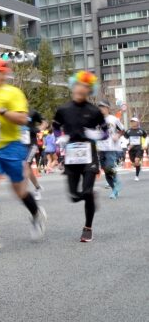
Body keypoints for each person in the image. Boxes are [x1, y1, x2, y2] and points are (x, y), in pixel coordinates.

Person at [0, 59, 46, 252]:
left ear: (3, 73)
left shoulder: (14, 93)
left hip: (13, 148)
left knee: (20, 191)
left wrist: (3, 111)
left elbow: (23, 118)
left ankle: (36, 214)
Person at [53, 71, 108, 243]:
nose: (80, 89)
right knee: (74, 196)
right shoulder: (63, 109)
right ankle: (90, 195)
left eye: (85, 87)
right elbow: (55, 126)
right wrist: (59, 137)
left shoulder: (94, 111)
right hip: (71, 156)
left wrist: (96, 135)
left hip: (89, 155)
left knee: (86, 191)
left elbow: (106, 132)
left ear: (89, 90)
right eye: (78, 85)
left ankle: (88, 228)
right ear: (72, 86)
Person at [97, 100, 124, 198]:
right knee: (106, 172)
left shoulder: (113, 119)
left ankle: (117, 182)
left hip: (111, 147)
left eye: (103, 107)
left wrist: (117, 135)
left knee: (109, 167)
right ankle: (114, 190)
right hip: (100, 148)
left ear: (108, 108)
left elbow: (122, 130)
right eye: (100, 107)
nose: (101, 109)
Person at [22, 109, 44, 200]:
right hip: (21, 145)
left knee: (26, 165)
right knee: (28, 168)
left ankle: (24, 191)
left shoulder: (33, 112)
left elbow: (44, 122)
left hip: (32, 144)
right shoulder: (14, 112)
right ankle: (37, 187)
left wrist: (38, 129)